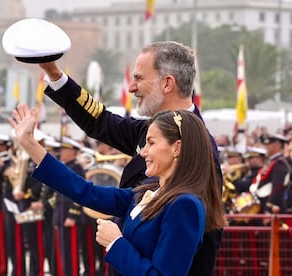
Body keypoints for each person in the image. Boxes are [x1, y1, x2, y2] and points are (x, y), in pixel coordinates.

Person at [31, 41, 223, 275]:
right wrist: (54, 73)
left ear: (167, 83)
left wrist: (116, 243)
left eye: (139, 78)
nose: (131, 87)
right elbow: (99, 122)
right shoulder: (152, 131)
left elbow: (200, 245)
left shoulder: (200, 148)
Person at [9, 105, 226, 275]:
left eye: (150, 143)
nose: (144, 153)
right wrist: (30, 144)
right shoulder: (147, 191)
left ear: (177, 147)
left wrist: (116, 243)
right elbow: (85, 191)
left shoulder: (185, 205)